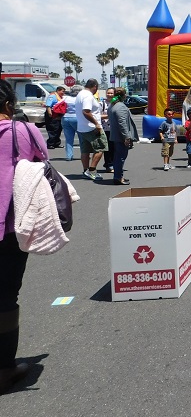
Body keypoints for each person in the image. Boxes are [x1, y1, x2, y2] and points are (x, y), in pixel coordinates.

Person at [0, 79, 48, 393]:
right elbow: (44, 163)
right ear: (8, 105)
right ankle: (4, 369)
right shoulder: (20, 131)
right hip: (7, 227)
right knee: (4, 296)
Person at [75, 79, 108, 181]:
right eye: (96, 88)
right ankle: (92, 170)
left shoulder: (80, 94)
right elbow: (86, 111)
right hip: (91, 128)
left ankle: (86, 171)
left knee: (85, 150)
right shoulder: (88, 96)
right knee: (101, 147)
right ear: (95, 86)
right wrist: (97, 124)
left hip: (82, 127)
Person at [108, 88, 139, 185]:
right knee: (120, 158)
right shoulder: (120, 106)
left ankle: (118, 176)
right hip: (121, 137)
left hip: (116, 135)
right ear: (123, 95)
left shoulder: (112, 105)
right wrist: (126, 137)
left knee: (118, 157)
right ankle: (118, 177)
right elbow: (122, 123)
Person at [61, 85, 81, 161]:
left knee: (68, 138)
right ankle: (83, 154)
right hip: (77, 118)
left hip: (65, 117)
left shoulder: (65, 98)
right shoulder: (79, 99)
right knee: (81, 138)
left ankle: (69, 155)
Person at [44, 85, 66, 149]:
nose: (63, 93)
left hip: (58, 116)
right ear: (58, 91)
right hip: (52, 115)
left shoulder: (61, 97)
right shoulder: (52, 96)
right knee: (52, 130)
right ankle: (50, 144)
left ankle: (56, 143)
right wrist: (50, 114)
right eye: (62, 91)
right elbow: (48, 106)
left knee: (58, 129)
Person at [99, 88, 116, 173]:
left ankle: (114, 163)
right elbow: (97, 116)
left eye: (111, 93)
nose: (109, 95)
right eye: (108, 93)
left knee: (114, 148)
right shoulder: (102, 104)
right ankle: (109, 165)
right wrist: (108, 116)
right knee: (108, 148)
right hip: (105, 129)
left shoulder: (116, 103)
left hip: (115, 129)